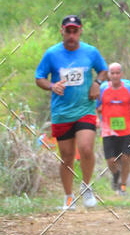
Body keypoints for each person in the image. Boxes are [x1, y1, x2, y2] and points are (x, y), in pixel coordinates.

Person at [35, 15, 108, 209]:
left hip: (85, 108)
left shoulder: (90, 52)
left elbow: (103, 70)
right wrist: (52, 86)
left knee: (85, 148)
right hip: (62, 112)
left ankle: (86, 188)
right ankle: (68, 198)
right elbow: (39, 77)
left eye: (75, 31)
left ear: (80, 31)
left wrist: (97, 83)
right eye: (68, 30)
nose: (72, 35)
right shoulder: (52, 54)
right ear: (62, 31)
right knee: (67, 156)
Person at [97, 62, 130, 194]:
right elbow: (95, 106)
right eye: (112, 73)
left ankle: (122, 186)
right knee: (111, 160)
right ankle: (116, 175)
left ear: (121, 74)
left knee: (126, 158)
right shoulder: (103, 88)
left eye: (117, 73)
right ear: (108, 75)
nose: (115, 76)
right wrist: (95, 119)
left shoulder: (129, 87)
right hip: (108, 129)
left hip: (126, 129)